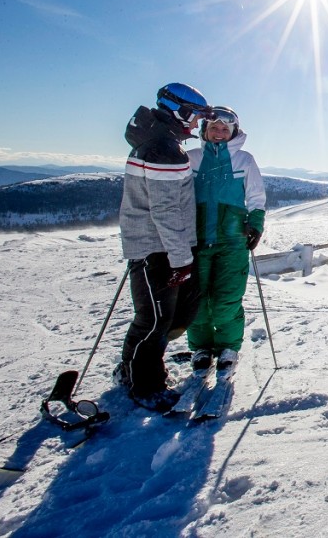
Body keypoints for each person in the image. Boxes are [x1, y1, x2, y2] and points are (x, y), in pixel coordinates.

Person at [118, 82, 209, 411]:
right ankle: (143, 383)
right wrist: (181, 260)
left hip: (168, 248)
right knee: (154, 319)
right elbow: (165, 211)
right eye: (194, 115)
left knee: (174, 314)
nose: (196, 123)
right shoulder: (163, 149)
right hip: (156, 250)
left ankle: (139, 367)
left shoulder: (163, 143)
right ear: (179, 111)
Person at [186, 106, 267, 373]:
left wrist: (255, 224)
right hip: (195, 239)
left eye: (225, 129)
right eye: (214, 128)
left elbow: (255, 196)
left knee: (228, 297)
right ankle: (201, 347)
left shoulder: (244, 160)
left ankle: (228, 347)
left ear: (233, 131)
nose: (220, 133)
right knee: (196, 298)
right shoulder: (191, 158)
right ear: (205, 131)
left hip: (232, 239)